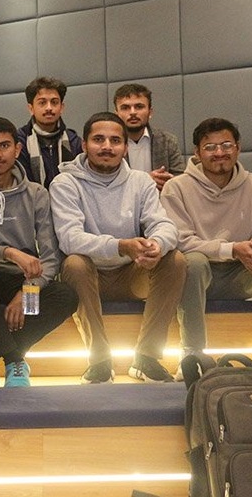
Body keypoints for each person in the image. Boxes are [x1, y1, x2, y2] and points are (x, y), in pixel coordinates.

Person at [51, 112, 185, 384]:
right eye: (98, 140)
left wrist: (156, 245)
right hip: (87, 277)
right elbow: (69, 238)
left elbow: (164, 224)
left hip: (131, 274)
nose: (107, 147)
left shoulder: (141, 181)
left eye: (115, 141)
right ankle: (99, 360)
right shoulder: (64, 183)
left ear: (125, 148)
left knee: (176, 260)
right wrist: (121, 246)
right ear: (84, 145)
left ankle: (147, 358)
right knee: (74, 262)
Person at [0, 117, 78, 387]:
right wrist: (7, 252)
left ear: (17, 149)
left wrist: (26, 291)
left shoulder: (36, 193)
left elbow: (50, 258)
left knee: (65, 295)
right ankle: (13, 359)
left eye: (4, 146)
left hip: (24, 283)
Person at [161, 118, 252, 380]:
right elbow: (180, 240)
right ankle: (192, 352)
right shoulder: (176, 188)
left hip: (244, 272)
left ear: (238, 148)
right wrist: (232, 249)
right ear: (197, 153)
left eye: (226, 145)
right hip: (198, 276)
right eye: (210, 147)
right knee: (191, 261)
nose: (219, 152)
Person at [113, 83, 185, 192]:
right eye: (125, 108)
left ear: (150, 112)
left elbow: (181, 180)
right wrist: (146, 181)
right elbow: (105, 181)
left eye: (139, 107)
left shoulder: (167, 141)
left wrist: (169, 182)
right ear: (116, 114)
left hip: (160, 201)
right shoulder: (109, 145)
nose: (133, 112)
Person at [15, 76, 81, 188]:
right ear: (31, 108)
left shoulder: (74, 141)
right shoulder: (20, 142)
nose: (49, 108)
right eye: (42, 103)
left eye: (54, 102)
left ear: (61, 108)